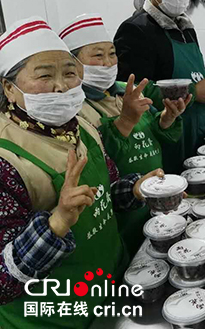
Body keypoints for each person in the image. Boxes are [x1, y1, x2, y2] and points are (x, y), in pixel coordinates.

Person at [0, 17, 162, 328]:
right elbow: (3, 278)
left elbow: (106, 194)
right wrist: (57, 222)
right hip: (56, 316)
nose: (61, 86)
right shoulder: (7, 158)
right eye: (45, 76)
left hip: (107, 289)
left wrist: (136, 189)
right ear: (9, 88)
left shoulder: (82, 127)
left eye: (70, 73)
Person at [59, 13, 190, 256]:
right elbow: (97, 160)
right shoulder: (76, 110)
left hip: (153, 196)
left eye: (112, 53)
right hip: (121, 209)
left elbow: (158, 137)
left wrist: (167, 119)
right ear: (72, 63)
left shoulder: (126, 91)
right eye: (97, 55)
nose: (108, 62)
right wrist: (127, 120)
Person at [114, 0, 205, 173]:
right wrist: (193, 91)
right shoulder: (136, 29)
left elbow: (193, 70)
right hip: (168, 134)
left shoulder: (185, 26)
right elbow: (130, 90)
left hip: (199, 127)